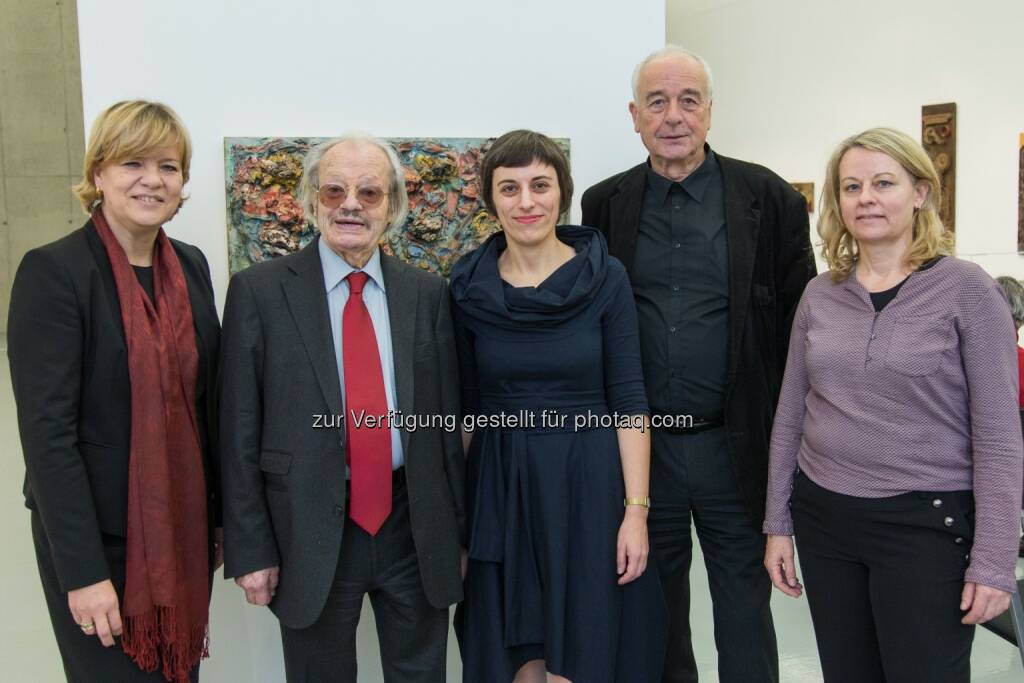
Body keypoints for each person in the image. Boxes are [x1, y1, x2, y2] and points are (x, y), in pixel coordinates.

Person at [580, 46, 815, 683]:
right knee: (653, 617)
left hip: (735, 446)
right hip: (642, 454)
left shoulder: (769, 199)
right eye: (657, 102)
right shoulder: (604, 206)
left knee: (745, 614)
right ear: (635, 115)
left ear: (710, 111)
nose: (674, 116)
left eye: (689, 101)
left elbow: (802, 334)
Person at [763, 127, 1024, 683]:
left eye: (884, 183)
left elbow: (1000, 437)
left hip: (925, 527)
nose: (867, 198)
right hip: (825, 520)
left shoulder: (969, 292)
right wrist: (777, 521)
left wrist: (996, 560)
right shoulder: (820, 294)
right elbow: (790, 415)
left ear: (921, 193)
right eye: (852, 186)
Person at [219, 134, 465, 683]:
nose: (350, 204)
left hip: (412, 526)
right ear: (310, 201)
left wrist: (459, 535)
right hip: (306, 526)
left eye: (369, 192)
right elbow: (236, 430)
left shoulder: (426, 294)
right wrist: (251, 547)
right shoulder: (258, 293)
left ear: (394, 208)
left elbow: (445, 427)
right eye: (333, 190)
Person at [8, 100, 220, 683]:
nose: (153, 180)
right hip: (98, 545)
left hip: (181, 535)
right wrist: (82, 572)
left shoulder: (193, 268)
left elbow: (208, 407)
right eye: (133, 163)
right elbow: (48, 438)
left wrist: (221, 519)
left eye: (169, 167)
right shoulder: (53, 273)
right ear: (98, 173)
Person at [452, 129, 667, 683]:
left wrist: (636, 512)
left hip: (588, 488)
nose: (526, 202)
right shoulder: (467, 287)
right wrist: (457, 526)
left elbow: (630, 400)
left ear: (562, 192)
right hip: (499, 489)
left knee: (585, 649)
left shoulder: (605, 276)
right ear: (491, 200)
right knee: (514, 655)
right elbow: (466, 413)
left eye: (540, 185)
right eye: (510, 188)